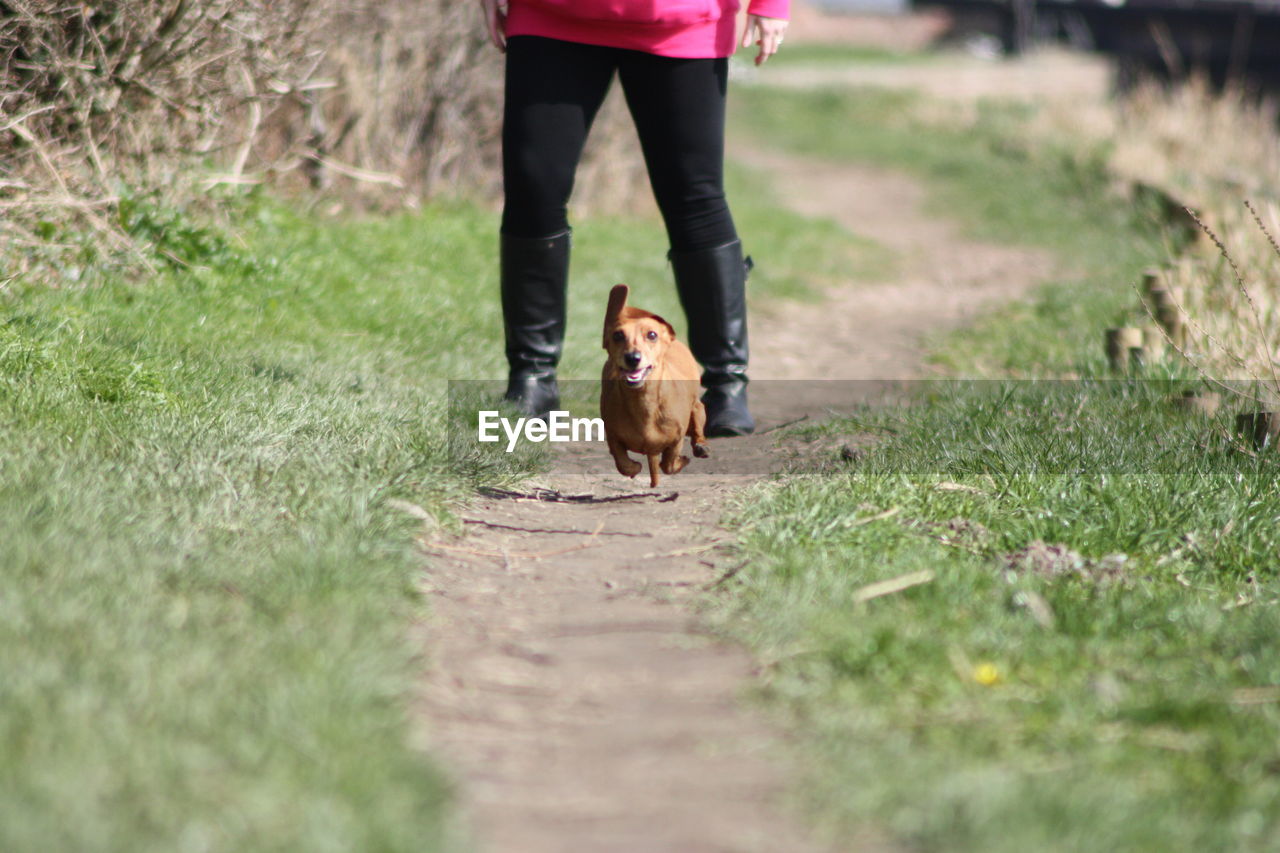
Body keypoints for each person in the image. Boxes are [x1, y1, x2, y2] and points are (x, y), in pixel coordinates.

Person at [481, 0, 789, 436]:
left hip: (684, 21)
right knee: (534, 189)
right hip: (550, 16)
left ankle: (725, 385)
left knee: (694, 198)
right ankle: (531, 381)